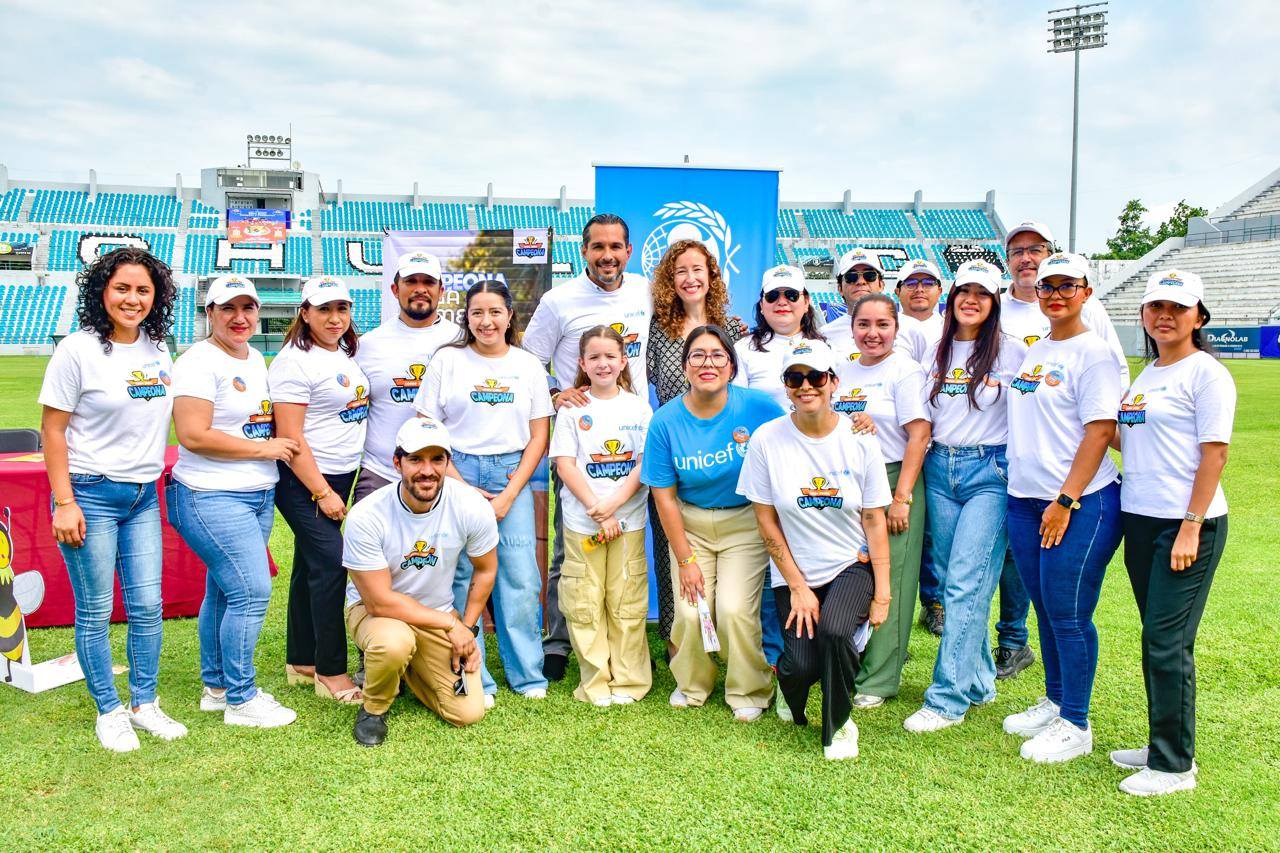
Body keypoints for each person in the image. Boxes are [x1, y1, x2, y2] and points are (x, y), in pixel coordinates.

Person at [38, 246, 188, 752]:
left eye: (143, 290)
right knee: (96, 609)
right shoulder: (76, 349)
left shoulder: (158, 348)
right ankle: (109, 710)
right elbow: (52, 431)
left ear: (156, 297)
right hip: (90, 493)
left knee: (148, 606)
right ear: (101, 291)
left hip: (144, 496)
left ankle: (144, 703)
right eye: (122, 288)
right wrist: (64, 502)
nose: (132, 298)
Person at [737, 339, 892, 760]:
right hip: (794, 572)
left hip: (849, 564)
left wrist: (883, 592)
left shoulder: (861, 440)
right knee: (799, 665)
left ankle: (840, 724)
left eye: (816, 377)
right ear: (786, 385)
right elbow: (766, 519)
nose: (806, 386)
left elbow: (875, 519)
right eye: (795, 378)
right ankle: (791, 693)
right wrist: (798, 587)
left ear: (833, 382)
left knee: (836, 632)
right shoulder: (767, 440)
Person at [1111, 269, 1234, 796]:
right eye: (1156, 306)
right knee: (1155, 637)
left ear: (1198, 317)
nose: (1165, 315)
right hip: (1139, 518)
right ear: (1142, 316)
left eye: (1178, 308)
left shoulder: (1205, 373)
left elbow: (1216, 453)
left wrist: (1191, 525)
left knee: (1167, 641)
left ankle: (1173, 764)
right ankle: (1163, 740)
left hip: (1186, 525)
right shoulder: (1149, 373)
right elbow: (1130, 441)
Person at [1003, 252, 1123, 764]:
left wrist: (1066, 499)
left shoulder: (1093, 353)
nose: (1055, 294)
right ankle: (1055, 700)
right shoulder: (1040, 347)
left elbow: (1100, 431)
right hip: (1026, 500)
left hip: (1079, 502)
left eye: (1067, 286)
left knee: (1070, 612)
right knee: (1047, 607)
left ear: (1086, 293)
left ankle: (1076, 721)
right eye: (1048, 285)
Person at [523, 213, 652, 682]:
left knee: (630, 546)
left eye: (616, 247)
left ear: (628, 251)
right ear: (584, 251)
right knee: (570, 546)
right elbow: (530, 360)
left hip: (634, 435)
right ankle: (560, 640)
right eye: (598, 247)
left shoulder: (644, 292)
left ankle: (626, 644)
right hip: (581, 441)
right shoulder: (558, 301)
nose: (607, 256)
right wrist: (556, 396)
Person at [167, 275, 299, 728]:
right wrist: (267, 449)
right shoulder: (198, 361)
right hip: (209, 493)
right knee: (251, 590)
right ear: (210, 313)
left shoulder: (255, 358)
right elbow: (193, 434)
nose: (240, 318)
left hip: (254, 493)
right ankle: (242, 699)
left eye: (248, 308)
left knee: (223, 592)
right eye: (228, 309)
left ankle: (217, 687)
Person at [902, 260, 1028, 735]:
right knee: (958, 581)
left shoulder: (1013, 352)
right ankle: (977, 680)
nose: (971, 300)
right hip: (940, 469)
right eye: (964, 291)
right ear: (952, 297)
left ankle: (947, 697)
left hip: (990, 471)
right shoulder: (935, 348)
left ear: (995, 303)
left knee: (964, 584)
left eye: (983, 293)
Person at [418, 280, 552, 704]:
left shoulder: (528, 365)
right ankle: (474, 674)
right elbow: (427, 426)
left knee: (519, 578)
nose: (486, 321)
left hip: (512, 473)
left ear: (510, 316)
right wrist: (458, 482)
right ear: (467, 318)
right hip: (456, 472)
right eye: (477, 313)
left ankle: (528, 677)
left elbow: (538, 437)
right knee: (458, 578)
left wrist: (510, 494)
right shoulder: (448, 360)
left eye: (495, 312)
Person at [641, 325, 781, 720]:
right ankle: (692, 684)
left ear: (732, 367)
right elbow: (663, 496)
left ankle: (749, 690)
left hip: (745, 525)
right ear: (684, 367)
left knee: (734, 610)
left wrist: (857, 424)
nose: (708, 363)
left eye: (718, 355)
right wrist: (685, 560)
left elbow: (797, 436)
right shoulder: (665, 421)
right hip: (691, 527)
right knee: (688, 611)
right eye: (697, 356)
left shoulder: (759, 407)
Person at [342, 418, 498, 746]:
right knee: (393, 642)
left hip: (434, 613)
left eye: (436, 459)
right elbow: (378, 602)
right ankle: (374, 707)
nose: (427, 470)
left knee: (467, 713)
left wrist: (466, 630)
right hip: (376, 614)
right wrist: (449, 624)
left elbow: (485, 570)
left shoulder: (469, 505)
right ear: (396, 462)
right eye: (415, 459)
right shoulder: (368, 514)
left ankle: (405, 668)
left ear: (447, 463)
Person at [269, 275, 368, 706]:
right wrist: (323, 492)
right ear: (304, 313)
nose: (334, 318)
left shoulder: (343, 353)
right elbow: (290, 439)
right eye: (323, 310)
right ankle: (331, 671)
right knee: (332, 563)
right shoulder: (296, 361)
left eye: (341, 309)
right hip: (306, 478)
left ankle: (300, 659)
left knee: (310, 564)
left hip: (340, 474)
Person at [646, 239, 746, 655]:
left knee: (730, 553)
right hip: (674, 450)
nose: (690, 278)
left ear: (711, 276)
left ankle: (723, 637)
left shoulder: (734, 328)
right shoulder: (656, 330)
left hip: (721, 457)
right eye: (680, 271)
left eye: (697, 269)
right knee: (672, 545)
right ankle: (678, 640)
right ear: (671, 280)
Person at [834, 294, 931, 708]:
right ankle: (854, 662)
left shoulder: (905, 370)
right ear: (852, 327)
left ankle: (879, 678)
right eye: (864, 325)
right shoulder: (841, 368)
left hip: (894, 481)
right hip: (852, 483)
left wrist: (903, 497)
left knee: (894, 581)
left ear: (897, 328)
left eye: (882, 325)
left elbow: (920, 434)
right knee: (860, 575)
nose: (872, 334)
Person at [550, 325, 652, 706]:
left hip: (628, 522)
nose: (603, 363)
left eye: (610, 356)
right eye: (594, 357)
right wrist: (597, 509)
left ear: (624, 360)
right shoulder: (574, 410)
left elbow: (644, 464)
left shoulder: (638, 407)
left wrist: (613, 507)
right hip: (582, 524)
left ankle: (629, 681)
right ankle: (594, 681)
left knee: (626, 601)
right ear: (582, 363)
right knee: (585, 602)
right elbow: (566, 465)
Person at [354, 251, 460, 503]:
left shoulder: (461, 340)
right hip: (381, 472)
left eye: (428, 282)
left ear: (441, 290)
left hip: (439, 474)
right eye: (411, 281)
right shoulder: (368, 344)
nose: (420, 289)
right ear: (394, 288)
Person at [894, 258, 946, 636]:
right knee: (905, 532)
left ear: (940, 291)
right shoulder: (894, 328)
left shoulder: (953, 328)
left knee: (935, 534)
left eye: (928, 282)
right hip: (906, 439)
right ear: (898, 291)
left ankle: (935, 602)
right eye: (911, 282)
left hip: (945, 442)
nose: (919, 288)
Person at [734, 264, 828, 410]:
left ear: (806, 302)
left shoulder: (827, 347)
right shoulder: (742, 348)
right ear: (761, 305)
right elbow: (736, 406)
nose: (782, 302)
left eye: (792, 295)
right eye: (772, 296)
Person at [818, 248, 928, 362]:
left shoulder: (912, 328)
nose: (861, 282)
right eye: (851, 277)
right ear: (840, 288)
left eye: (869, 275)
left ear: (881, 284)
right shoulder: (825, 335)